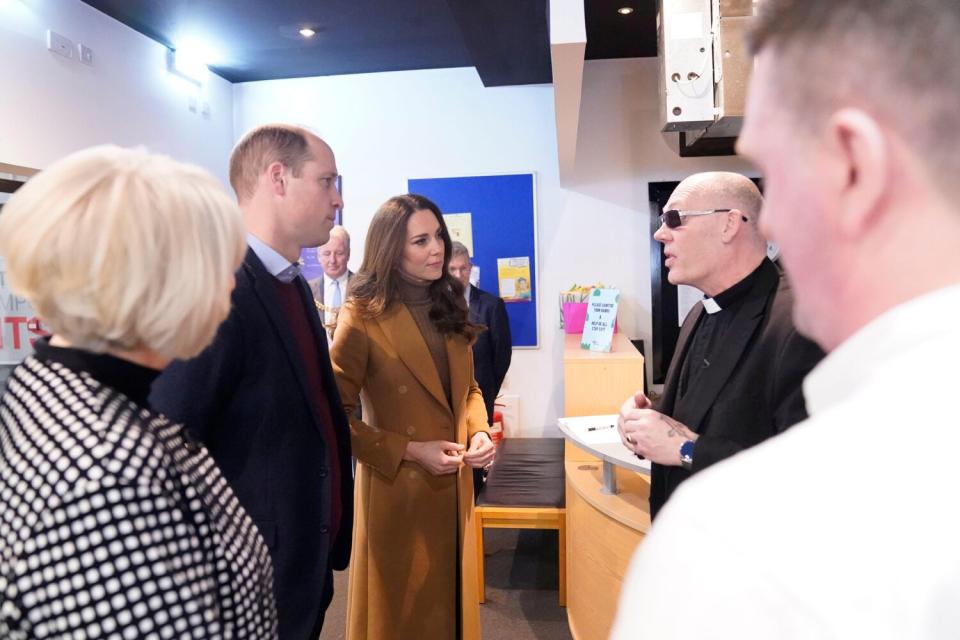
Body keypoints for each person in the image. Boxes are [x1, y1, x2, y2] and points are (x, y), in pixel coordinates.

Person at [611, 1, 960, 637]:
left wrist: (684, 447)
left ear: (856, 166)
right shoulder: (699, 317)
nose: (772, 220)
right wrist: (658, 412)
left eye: (777, 170)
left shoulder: (736, 547)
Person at [0, 146, 277, 637]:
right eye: (218, 268)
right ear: (158, 281)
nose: (230, 289)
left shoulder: (56, 393)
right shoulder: (107, 476)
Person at [151, 124, 353, 640]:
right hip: (240, 581)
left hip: (299, 565)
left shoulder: (289, 284)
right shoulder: (215, 289)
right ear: (278, 178)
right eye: (327, 181)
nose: (337, 199)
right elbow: (167, 445)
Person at [330, 194, 496, 640]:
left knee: (452, 617)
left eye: (438, 235)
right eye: (420, 240)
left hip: (455, 487)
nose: (437, 248)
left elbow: (470, 391)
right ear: (390, 249)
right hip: (399, 493)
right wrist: (409, 450)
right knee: (404, 620)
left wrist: (479, 431)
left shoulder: (451, 302)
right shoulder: (362, 315)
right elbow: (333, 417)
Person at [617, 171, 823, 519]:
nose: (659, 233)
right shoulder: (700, 311)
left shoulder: (804, 323)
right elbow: (713, 409)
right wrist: (647, 419)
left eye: (674, 219)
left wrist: (684, 448)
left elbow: (814, 472)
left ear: (729, 224)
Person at [447, 241, 512, 427]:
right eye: (452, 269)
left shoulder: (492, 306)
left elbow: (502, 357)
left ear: (470, 268)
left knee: (480, 453)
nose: (458, 276)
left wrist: (489, 391)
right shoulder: (433, 306)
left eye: (463, 269)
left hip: (481, 396)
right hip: (445, 400)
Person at [308, 225, 354, 340]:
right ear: (318, 256)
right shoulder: (307, 290)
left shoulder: (364, 288)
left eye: (339, 253)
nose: (332, 260)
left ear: (348, 254)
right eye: (327, 254)